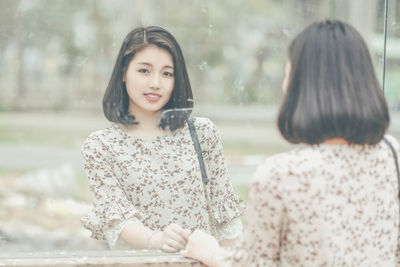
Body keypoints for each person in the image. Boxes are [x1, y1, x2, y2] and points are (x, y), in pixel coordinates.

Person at [181, 19, 400, 266]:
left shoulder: (281, 174)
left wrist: (209, 251)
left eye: (288, 72)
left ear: (300, 85)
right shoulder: (392, 155)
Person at [81, 26, 245, 252]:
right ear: (123, 72)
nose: (156, 83)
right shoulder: (100, 146)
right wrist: (156, 240)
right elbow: (118, 220)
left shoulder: (202, 133)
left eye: (167, 73)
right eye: (144, 71)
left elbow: (227, 219)